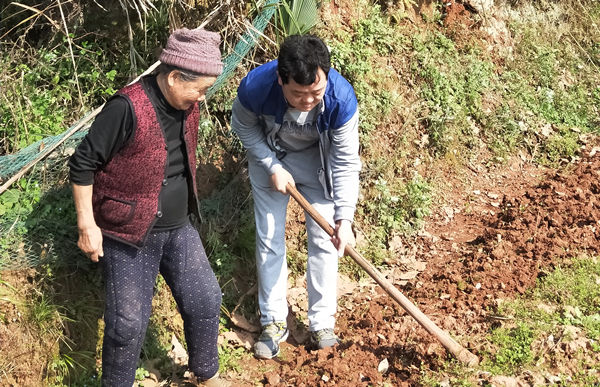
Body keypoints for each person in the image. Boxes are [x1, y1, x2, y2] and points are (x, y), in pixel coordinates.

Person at [69, 28, 230, 387]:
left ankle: (206, 375)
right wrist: (87, 225)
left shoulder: (188, 105)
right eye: (199, 88)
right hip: (128, 234)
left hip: (177, 227)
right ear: (174, 77)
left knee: (205, 298)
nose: (202, 97)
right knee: (127, 323)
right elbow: (82, 164)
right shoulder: (126, 108)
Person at [231, 34, 361, 359]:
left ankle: (322, 325)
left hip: (318, 164)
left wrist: (344, 219)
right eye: (298, 93)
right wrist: (271, 164)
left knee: (325, 239)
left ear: (326, 78)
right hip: (270, 160)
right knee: (270, 237)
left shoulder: (342, 100)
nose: (307, 100)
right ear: (280, 79)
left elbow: (345, 162)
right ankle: (273, 321)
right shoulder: (255, 88)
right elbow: (243, 127)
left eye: (315, 92)